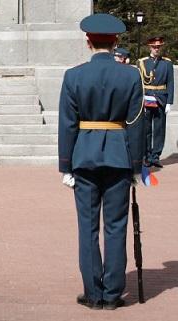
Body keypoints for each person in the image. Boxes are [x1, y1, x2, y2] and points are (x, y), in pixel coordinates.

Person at [58, 14, 145, 310]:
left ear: (88, 41)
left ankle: (93, 293)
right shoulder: (131, 75)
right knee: (116, 226)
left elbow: (67, 124)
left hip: (84, 157)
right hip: (120, 157)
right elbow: (136, 124)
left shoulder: (73, 76)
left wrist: (65, 166)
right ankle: (111, 295)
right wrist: (136, 166)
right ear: (116, 42)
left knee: (88, 227)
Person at [137, 36, 174, 168]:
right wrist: (139, 100)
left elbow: (170, 83)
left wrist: (169, 102)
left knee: (159, 129)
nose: (156, 49)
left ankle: (155, 156)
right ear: (149, 47)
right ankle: (146, 156)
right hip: (146, 98)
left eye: (159, 47)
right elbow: (139, 83)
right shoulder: (142, 62)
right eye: (154, 46)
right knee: (146, 129)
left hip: (161, 99)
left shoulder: (167, 63)